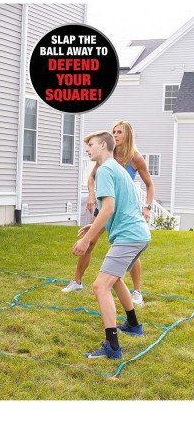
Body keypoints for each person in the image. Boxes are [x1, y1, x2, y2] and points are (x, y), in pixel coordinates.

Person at [73, 131, 150, 359]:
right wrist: (93, 226)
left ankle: (112, 347)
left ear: (105, 145)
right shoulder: (116, 168)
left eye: (92, 144)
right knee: (114, 278)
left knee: (99, 286)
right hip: (139, 234)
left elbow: (108, 209)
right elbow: (120, 207)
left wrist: (86, 241)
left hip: (129, 236)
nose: (88, 148)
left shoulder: (106, 169)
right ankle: (134, 325)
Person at [63, 120, 154, 306]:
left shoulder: (135, 158)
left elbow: (149, 184)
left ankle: (137, 292)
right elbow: (92, 177)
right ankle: (77, 281)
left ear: (127, 135)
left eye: (119, 132)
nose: (115, 135)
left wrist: (147, 207)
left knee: (128, 248)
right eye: (113, 132)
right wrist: (91, 195)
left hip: (122, 210)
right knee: (89, 242)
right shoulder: (106, 158)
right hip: (106, 205)